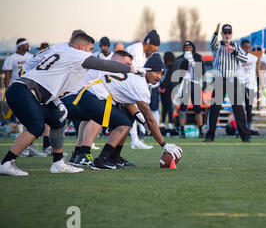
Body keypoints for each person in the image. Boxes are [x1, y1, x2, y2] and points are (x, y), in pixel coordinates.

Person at [0, 32, 146, 176]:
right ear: (82, 47)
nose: (92, 52)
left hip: (26, 88)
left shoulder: (58, 48)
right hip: (27, 91)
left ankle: (58, 163)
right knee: (36, 127)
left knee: (58, 119)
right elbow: (104, 64)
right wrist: (132, 69)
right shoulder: (79, 55)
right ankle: (6, 163)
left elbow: (29, 64)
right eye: (90, 49)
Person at [73, 52, 182, 170]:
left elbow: (129, 104)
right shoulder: (141, 85)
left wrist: (142, 122)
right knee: (124, 122)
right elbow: (150, 118)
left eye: (162, 73)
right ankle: (102, 159)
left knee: (128, 118)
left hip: (90, 95)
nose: (159, 76)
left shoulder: (138, 75)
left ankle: (113, 156)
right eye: (156, 72)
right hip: (91, 97)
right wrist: (164, 144)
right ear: (147, 70)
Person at [203, 23, 251, 142]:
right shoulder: (218, 45)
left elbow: (245, 59)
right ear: (222, 34)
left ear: (232, 34)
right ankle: (210, 135)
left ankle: (244, 135)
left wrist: (233, 51)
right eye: (225, 33)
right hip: (219, 79)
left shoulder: (236, 46)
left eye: (229, 33)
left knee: (238, 109)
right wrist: (215, 32)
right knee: (215, 108)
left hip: (232, 79)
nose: (227, 35)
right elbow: (212, 44)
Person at [126, 30, 160, 149]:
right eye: (155, 46)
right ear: (149, 42)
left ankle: (135, 140)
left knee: (130, 115)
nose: (156, 49)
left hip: (128, 87)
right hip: (123, 86)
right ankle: (134, 140)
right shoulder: (136, 50)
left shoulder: (143, 53)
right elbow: (135, 71)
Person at [174, 41, 206, 138]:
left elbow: (202, 71)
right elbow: (176, 72)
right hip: (184, 84)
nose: (188, 49)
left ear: (193, 48)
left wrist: (193, 62)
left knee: (198, 108)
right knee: (183, 108)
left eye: (189, 47)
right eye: (186, 48)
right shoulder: (180, 58)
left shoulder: (197, 57)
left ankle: (201, 131)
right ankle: (182, 131)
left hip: (194, 83)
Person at [238, 39, 258, 131]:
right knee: (240, 109)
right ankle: (240, 129)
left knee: (249, 108)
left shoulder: (253, 58)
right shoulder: (236, 57)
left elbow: (256, 71)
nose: (247, 50)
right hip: (240, 84)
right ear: (241, 47)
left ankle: (248, 128)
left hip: (250, 85)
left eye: (248, 48)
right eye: (245, 48)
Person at [160, 52, 176, 130]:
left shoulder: (172, 67)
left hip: (169, 89)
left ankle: (170, 123)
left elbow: (168, 78)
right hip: (165, 90)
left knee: (169, 107)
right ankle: (163, 122)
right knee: (165, 107)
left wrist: (161, 86)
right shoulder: (166, 67)